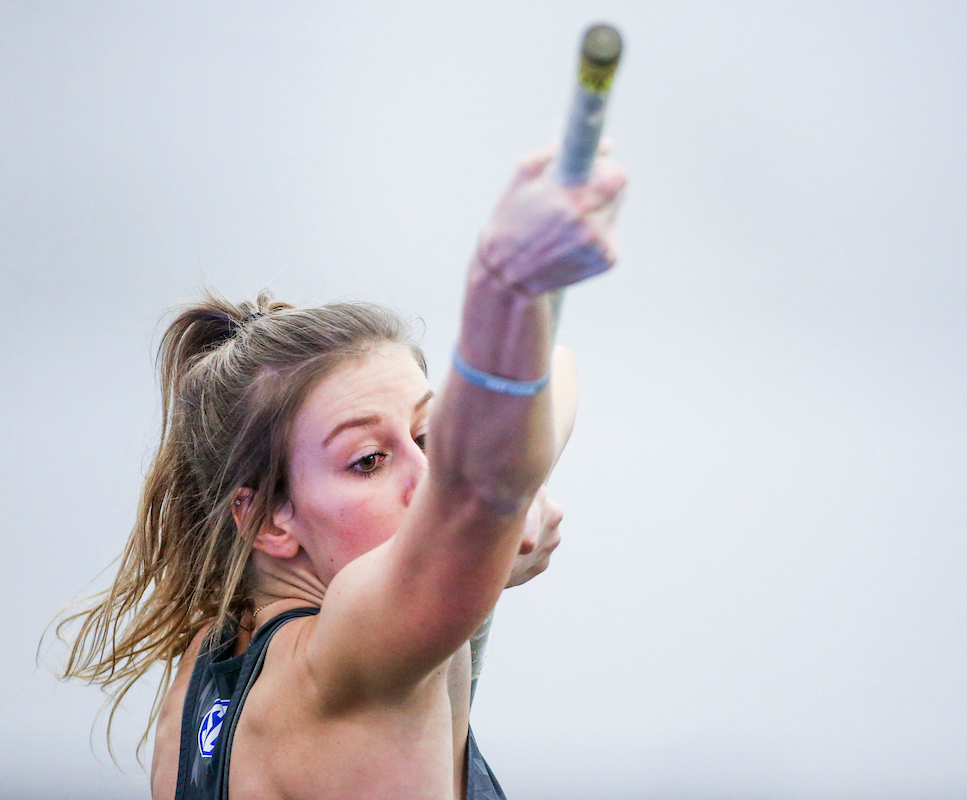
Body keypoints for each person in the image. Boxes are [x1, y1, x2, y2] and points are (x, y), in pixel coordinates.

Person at [55, 143, 627, 799]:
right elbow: (473, 490)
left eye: (426, 436)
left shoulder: (202, 675)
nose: (427, 476)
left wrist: (507, 501)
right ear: (268, 520)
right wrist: (506, 282)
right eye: (369, 461)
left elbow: (554, 371)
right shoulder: (353, 656)